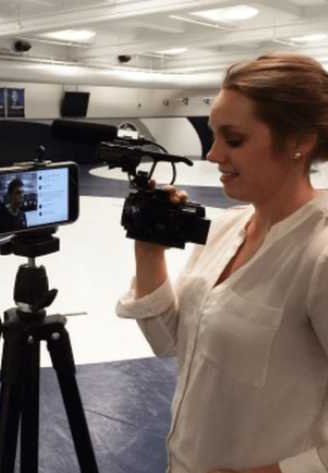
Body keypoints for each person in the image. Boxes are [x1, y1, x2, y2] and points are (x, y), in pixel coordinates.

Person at [115, 52, 328, 473]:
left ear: (298, 142)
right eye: (213, 136)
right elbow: (173, 342)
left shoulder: (319, 255)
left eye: (234, 140)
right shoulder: (226, 229)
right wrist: (148, 247)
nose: (212, 155)